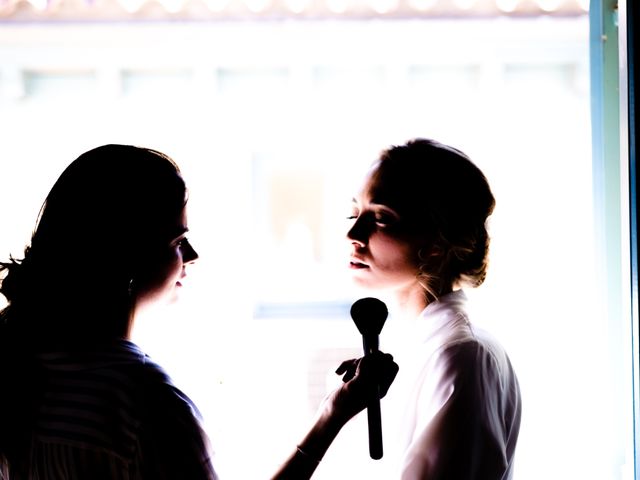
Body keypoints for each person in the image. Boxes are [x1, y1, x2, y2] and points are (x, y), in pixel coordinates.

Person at [0, 144, 398, 480]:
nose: (191, 256)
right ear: (127, 257)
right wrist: (330, 419)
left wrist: (332, 410)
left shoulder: (22, 366)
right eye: (178, 240)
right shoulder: (145, 401)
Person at [346, 138, 521, 479]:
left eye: (381, 218)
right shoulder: (420, 347)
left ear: (437, 246)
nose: (353, 232)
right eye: (354, 213)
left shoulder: (461, 358)